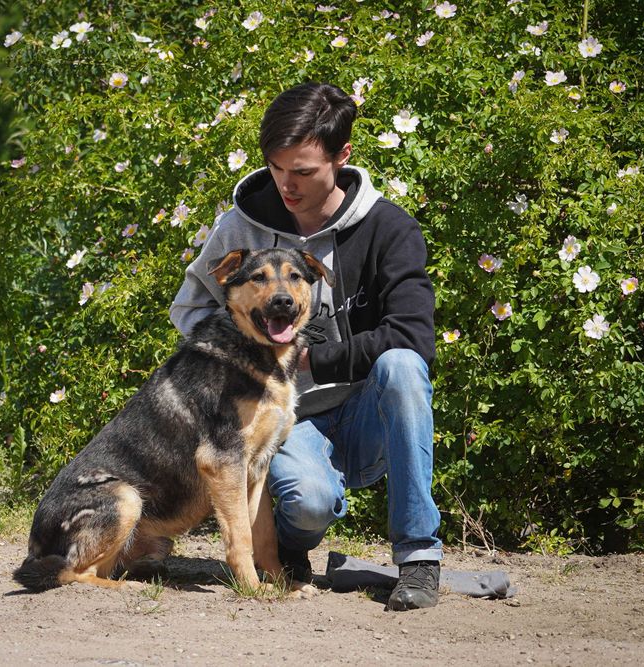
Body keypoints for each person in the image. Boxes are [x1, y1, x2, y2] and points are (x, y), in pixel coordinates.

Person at [170, 82, 442, 610]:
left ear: (342, 157)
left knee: (404, 367)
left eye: (303, 171)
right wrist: (252, 357)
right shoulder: (240, 227)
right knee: (310, 501)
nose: (286, 185)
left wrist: (312, 356)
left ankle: (419, 559)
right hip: (288, 419)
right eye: (276, 168)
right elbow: (190, 311)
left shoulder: (390, 228)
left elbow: (415, 336)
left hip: (366, 415)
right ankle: (287, 548)